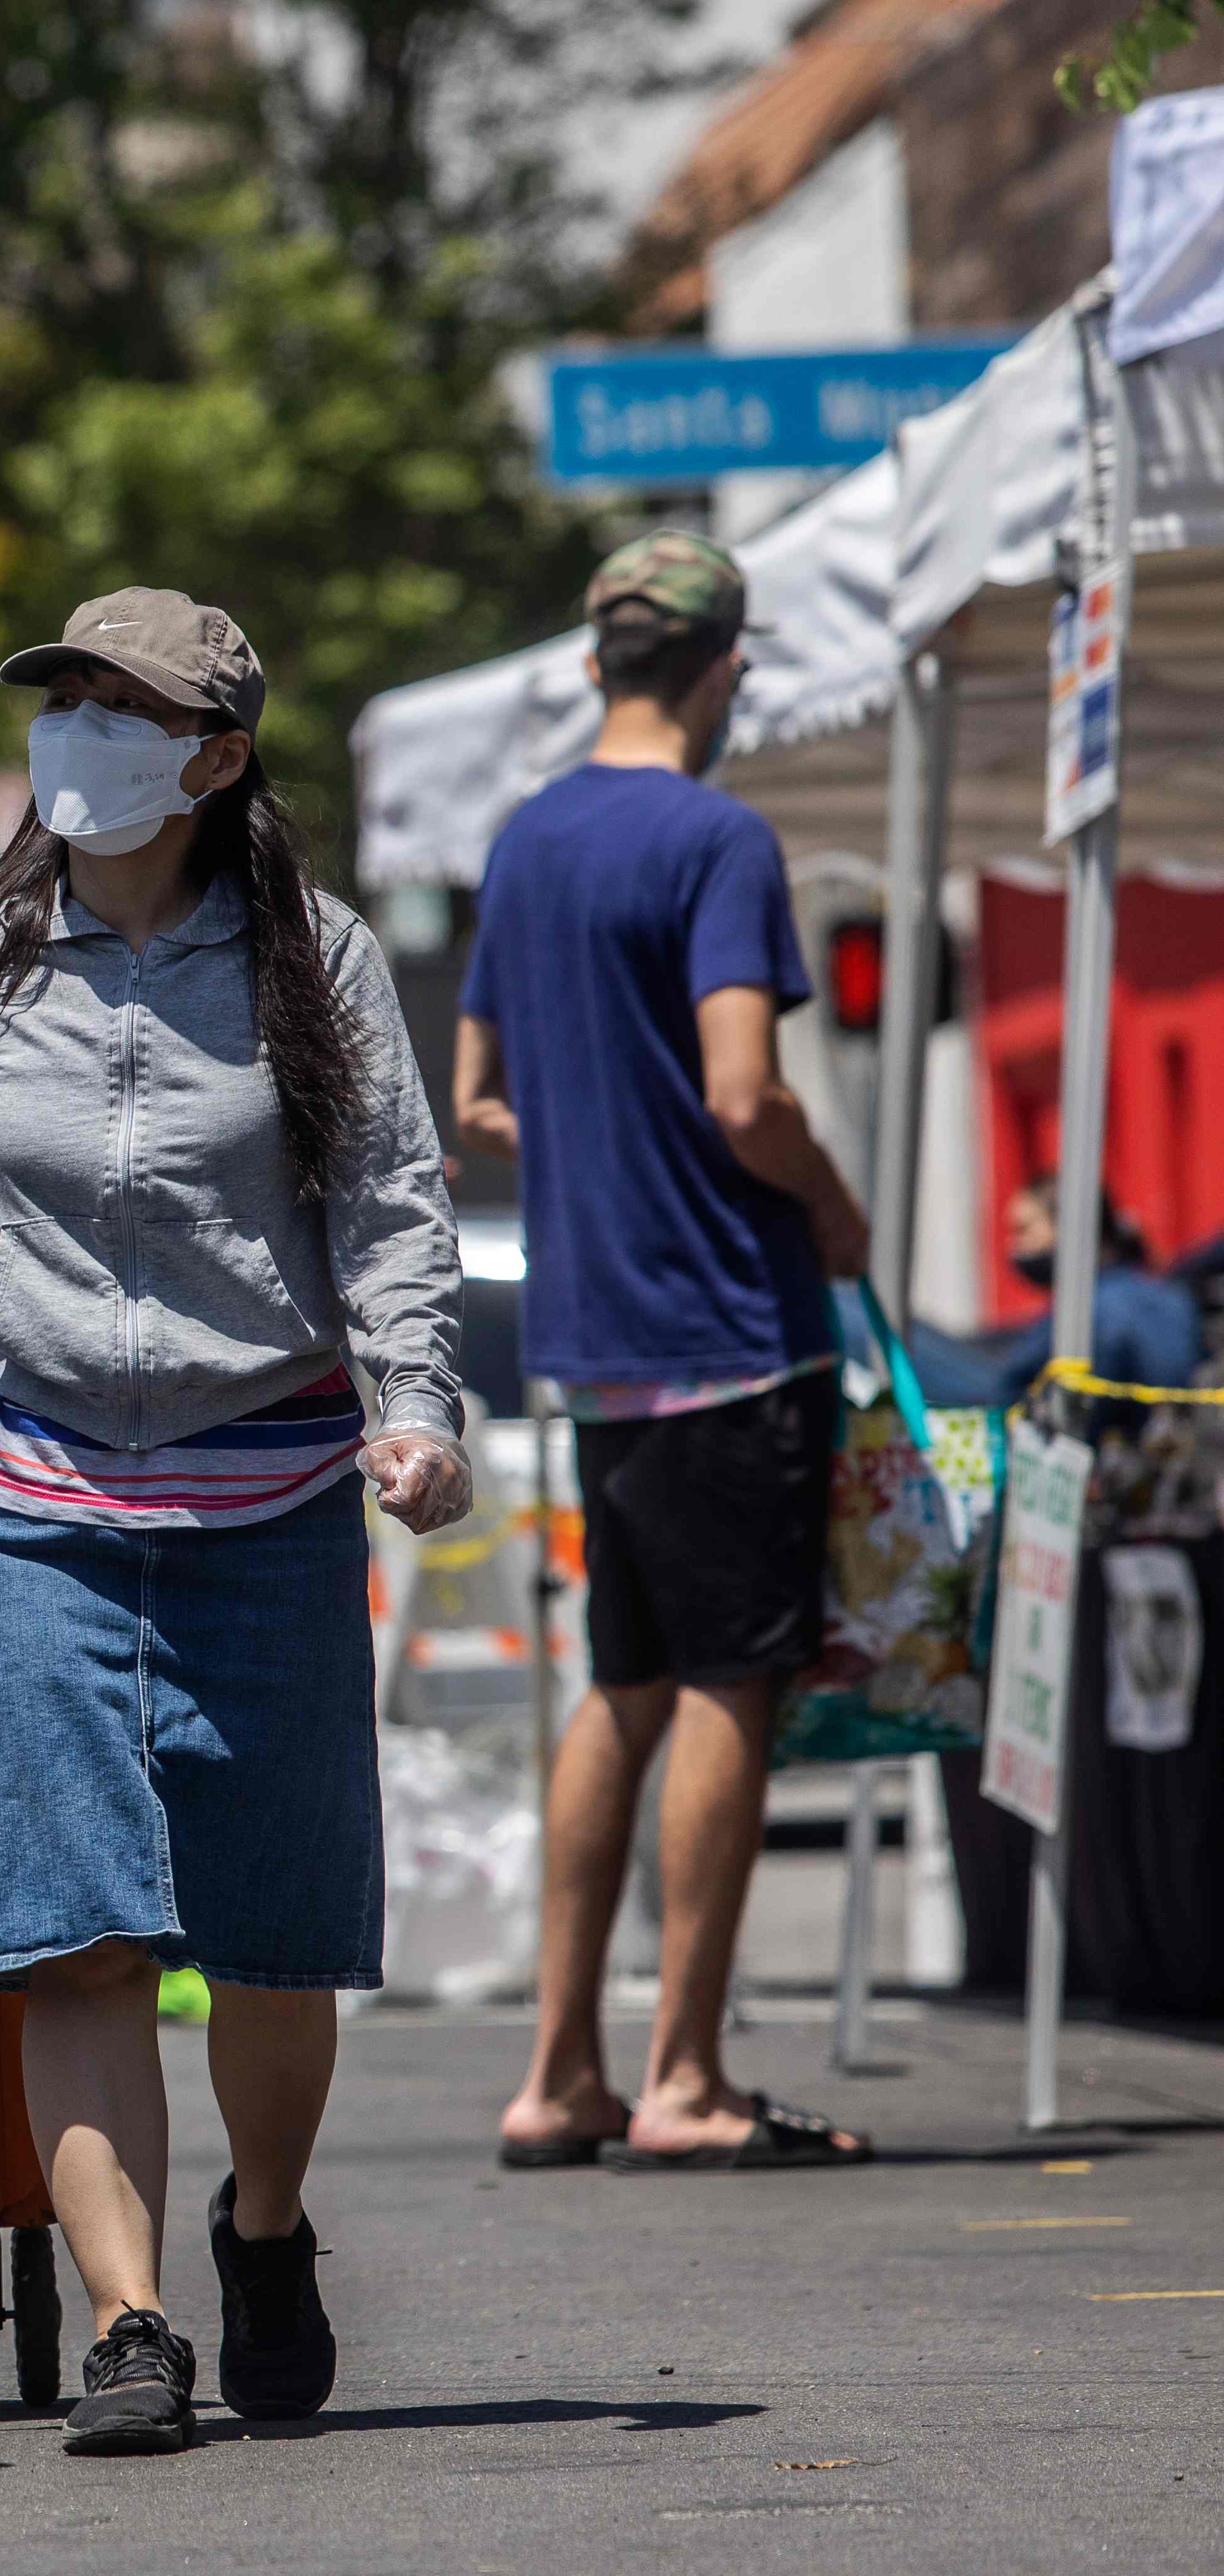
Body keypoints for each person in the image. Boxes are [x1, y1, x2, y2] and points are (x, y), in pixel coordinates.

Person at [0, 590, 470, 2456]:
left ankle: (260, 2228)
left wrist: (410, 1409)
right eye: (62, 698)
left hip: (261, 1492)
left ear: (213, 756)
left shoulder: (312, 954)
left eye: (122, 707)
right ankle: (129, 2321)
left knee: (267, 1941)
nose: (77, 731)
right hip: (26, 1498)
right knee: (72, 1933)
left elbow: (390, 1203)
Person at [454, 528, 879, 2178]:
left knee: (617, 1683)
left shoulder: (526, 839)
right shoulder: (714, 836)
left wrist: (583, 1134)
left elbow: (477, 1091)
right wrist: (831, 1204)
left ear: (588, 665)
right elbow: (743, 1093)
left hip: (592, 1337)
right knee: (725, 1681)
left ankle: (557, 2070)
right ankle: (684, 2071)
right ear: (721, 670)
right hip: (724, 1323)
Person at [911, 1179, 1204, 1402]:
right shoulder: (1154, 1293)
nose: (1014, 1247)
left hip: (1011, 1405)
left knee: (877, 1328)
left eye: (1024, 1230)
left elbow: (1017, 1378)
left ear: (1068, 1227)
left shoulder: (1094, 1308)